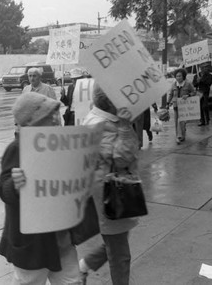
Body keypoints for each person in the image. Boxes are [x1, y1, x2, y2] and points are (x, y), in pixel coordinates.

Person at [0, 92, 82, 284]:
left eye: (56, 113)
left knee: (72, 281)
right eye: (49, 115)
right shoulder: (17, 148)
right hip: (33, 244)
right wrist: (14, 185)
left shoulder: (59, 144)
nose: (56, 118)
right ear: (30, 122)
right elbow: (4, 190)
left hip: (61, 238)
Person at [79, 83, 139, 285]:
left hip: (115, 191)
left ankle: (84, 266)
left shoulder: (98, 118)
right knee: (120, 255)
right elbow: (122, 158)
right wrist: (125, 127)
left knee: (116, 241)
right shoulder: (102, 124)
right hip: (111, 195)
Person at [167, 68, 196, 144]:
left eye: (180, 76)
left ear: (183, 76)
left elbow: (194, 92)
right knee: (176, 121)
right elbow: (171, 94)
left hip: (185, 106)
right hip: (176, 105)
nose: (178, 78)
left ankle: (182, 135)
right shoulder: (174, 84)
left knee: (182, 121)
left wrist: (188, 95)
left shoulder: (188, 84)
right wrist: (168, 103)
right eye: (177, 76)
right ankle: (178, 136)